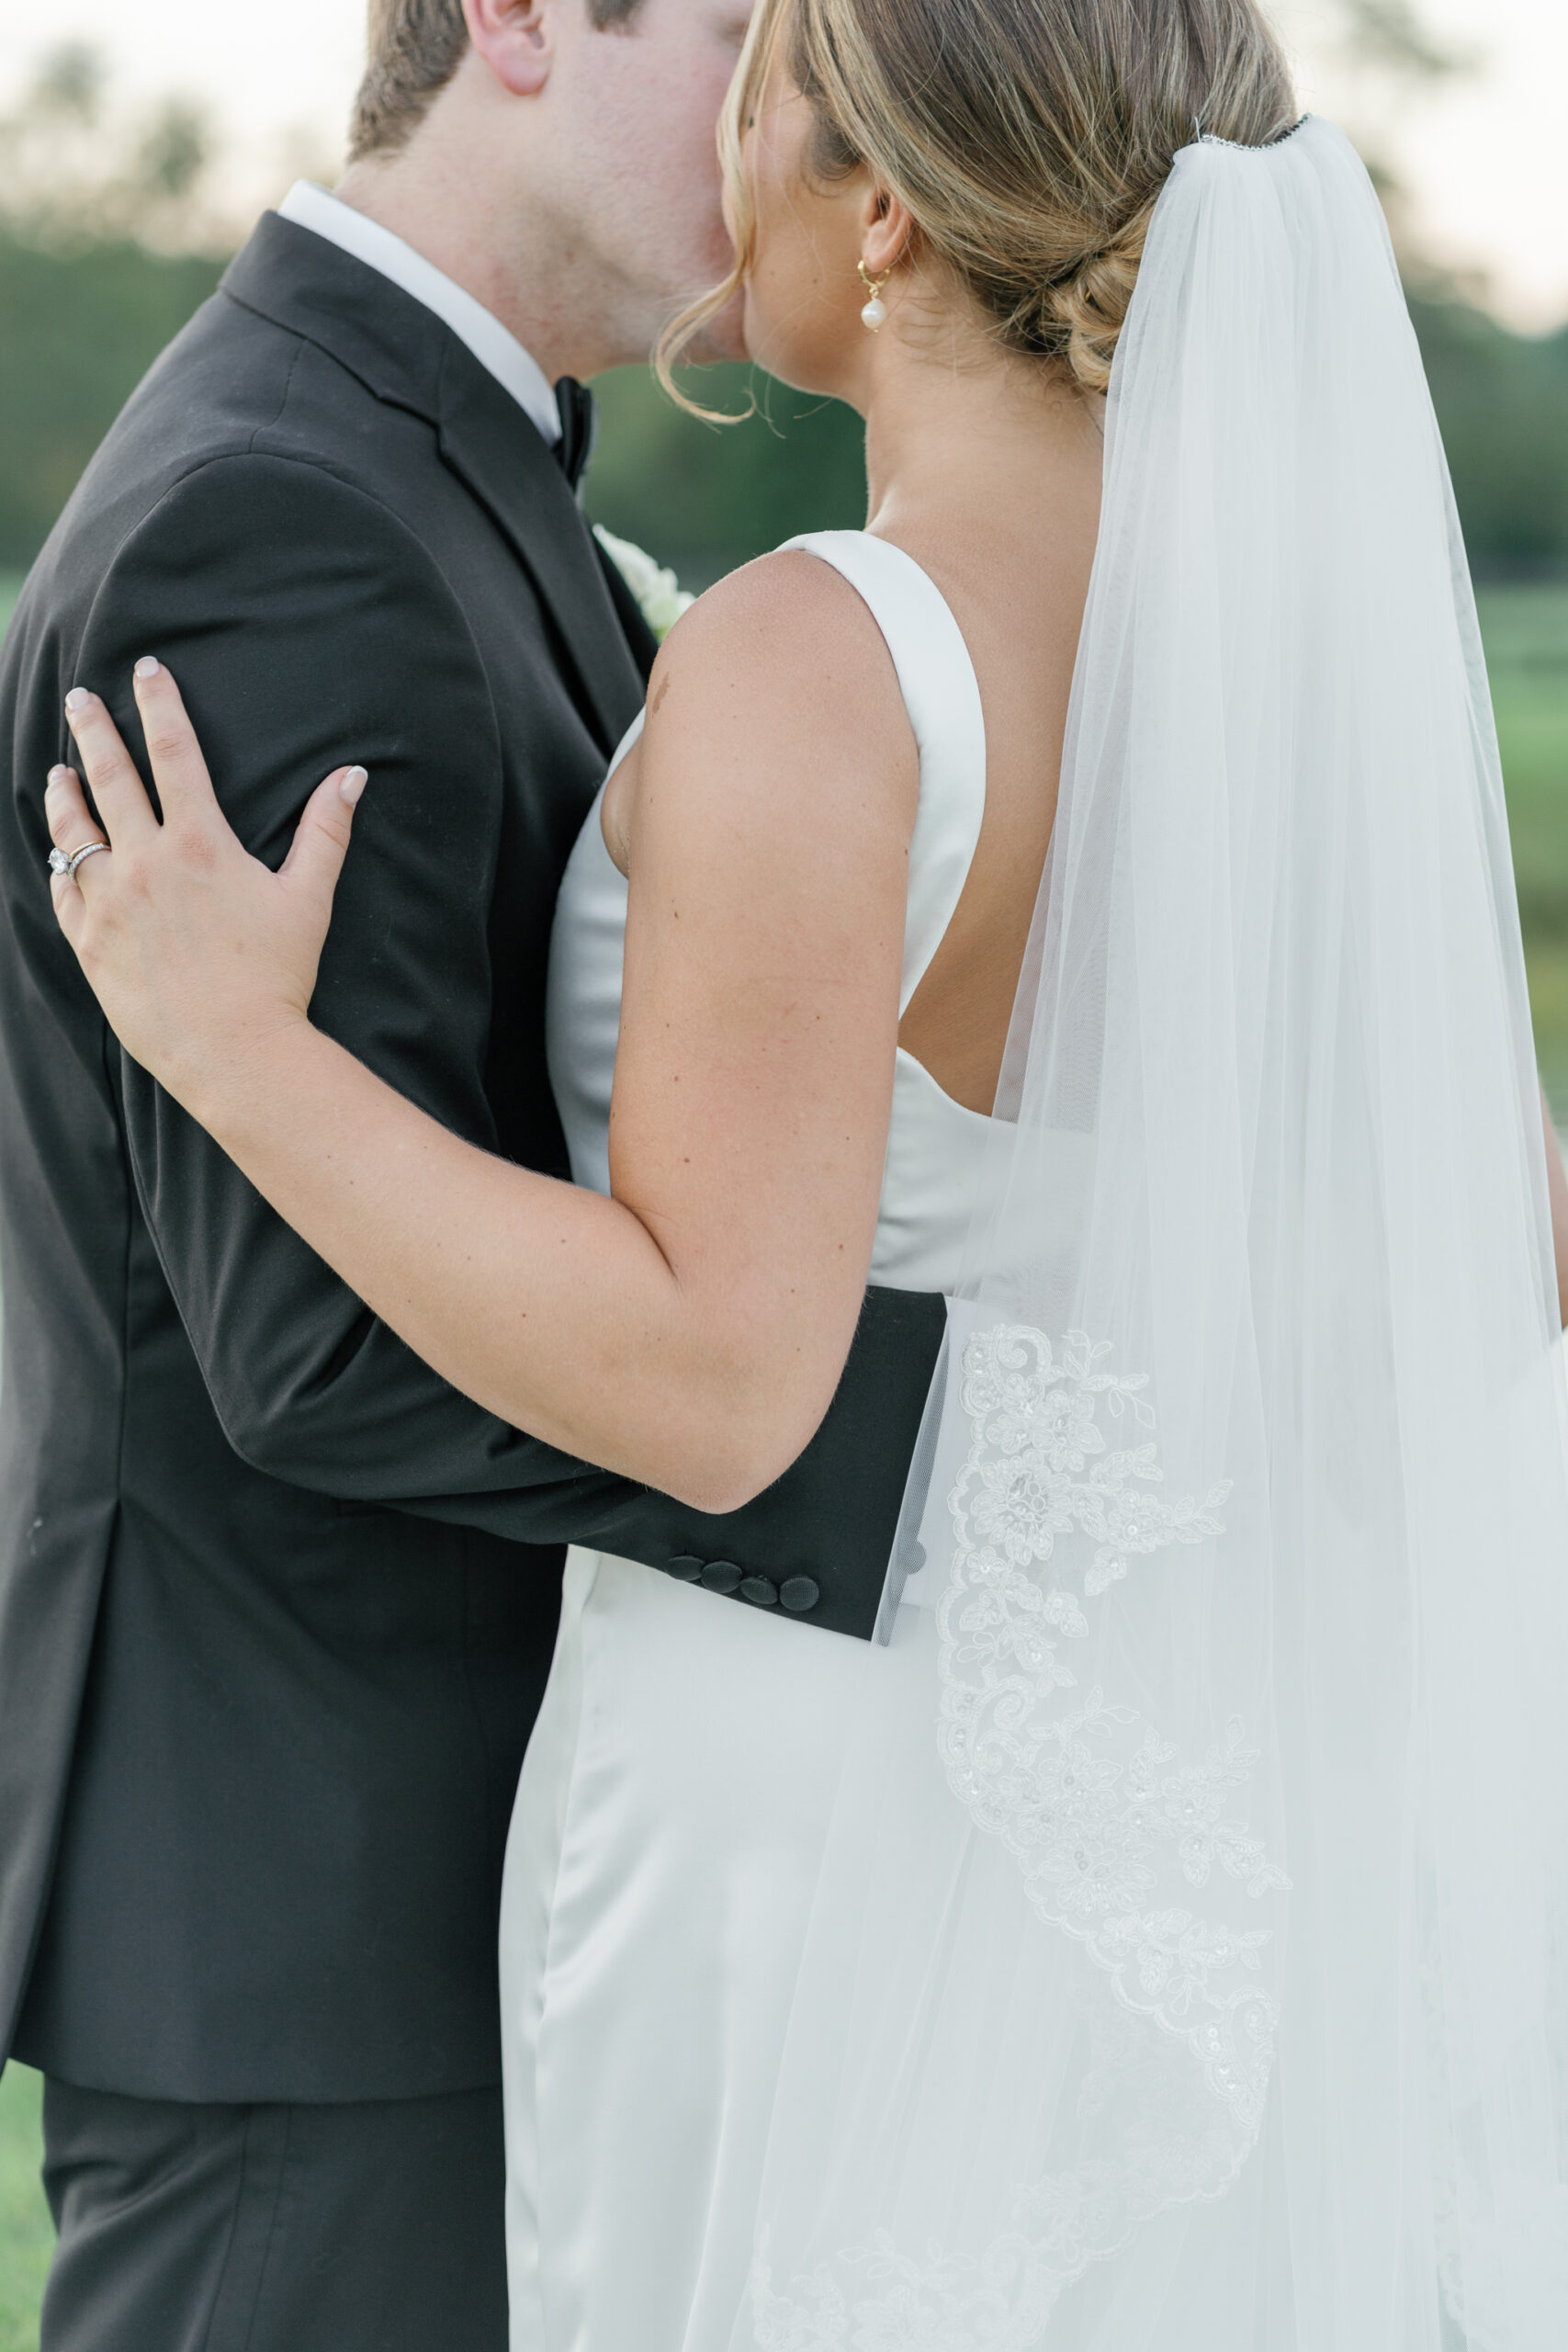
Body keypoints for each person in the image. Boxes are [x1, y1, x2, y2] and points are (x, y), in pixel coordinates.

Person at [39, 0, 1568, 2345]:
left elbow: (724, 1374)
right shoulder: (1268, 673)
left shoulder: (819, 657)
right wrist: (1125, 1446)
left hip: (805, 1810)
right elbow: (1478, 1243)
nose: (741, 102)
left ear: (878, 211)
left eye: (779, 57)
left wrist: (240, 1049)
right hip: (1144, 1807)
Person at [0, 3, 952, 2348]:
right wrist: (956, 1444)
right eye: (739, 33)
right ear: (516, 20)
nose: (774, 118)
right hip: (311, 1923)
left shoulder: (426, 460)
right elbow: (307, 1351)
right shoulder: (280, 518)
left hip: (402, 1879)